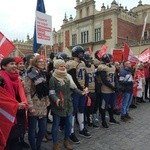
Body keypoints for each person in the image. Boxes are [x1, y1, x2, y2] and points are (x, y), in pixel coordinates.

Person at [49, 59, 86, 150]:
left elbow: (73, 88)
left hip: (68, 104)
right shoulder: (53, 79)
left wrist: (82, 92)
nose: (63, 67)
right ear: (56, 67)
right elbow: (51, 93)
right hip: (58, 105)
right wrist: (56, 99)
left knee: (69, 124)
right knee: (56, 125)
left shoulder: (67, 76)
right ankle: (55, 143)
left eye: (64, 66)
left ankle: (66, 141)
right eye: (61, 66)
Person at [0, 57, 28, 150]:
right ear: (3, 66)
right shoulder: (1, 79)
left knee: (15, 137)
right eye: (11, 64)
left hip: (18, 113)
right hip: (7, 114)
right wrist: (16, 105)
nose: (15, 66)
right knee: (8, 139)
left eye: (15, 64)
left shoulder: (17, 78)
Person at [24, 56, 50, 150]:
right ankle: (34, 148)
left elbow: (45, 90)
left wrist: (47, 101)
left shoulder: (43, 74)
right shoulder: (30, 75)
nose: (42, 63)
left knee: (43, 130)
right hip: (34, 104)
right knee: (32, 129)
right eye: (40, 62)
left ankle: (38, 146)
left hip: (42, 104)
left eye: (43, 62)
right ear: (35, 63)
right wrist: (30, 106)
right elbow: (27, 92)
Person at [66, 45, 91, 144]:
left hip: (82, 90)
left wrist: (86, 87)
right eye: (80, 53)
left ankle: (82, 128)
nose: (82, 54)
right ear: (75, 53)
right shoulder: (71, 63)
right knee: (73, 111)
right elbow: (73, 79)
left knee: (81, 109)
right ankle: (71, 133)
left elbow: (85, 76)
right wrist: (81, 89)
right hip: (74, 91)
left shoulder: (82, 63)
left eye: (82, 53)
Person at [97, 53, 119, 128]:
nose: (112, 59)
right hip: (105, 90)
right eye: (110, 58)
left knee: (111, 105)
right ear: (107, 58)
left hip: (112, 90)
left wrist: (116, 86)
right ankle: (103, 121)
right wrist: (114, 88)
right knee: (103, 106)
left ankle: (111, 118)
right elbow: (104, 80)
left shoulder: (112, 67)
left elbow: (115, 77)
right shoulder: (102, 67)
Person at [14, 56, 30, 149]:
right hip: (18, 101)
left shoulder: (25, 73)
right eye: (20, 64)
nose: (22, 65)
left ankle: (22, 139)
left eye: (22, 64)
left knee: (23, 121)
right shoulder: (15, 75)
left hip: (24, 99)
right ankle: (17, 140)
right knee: (18, 122)